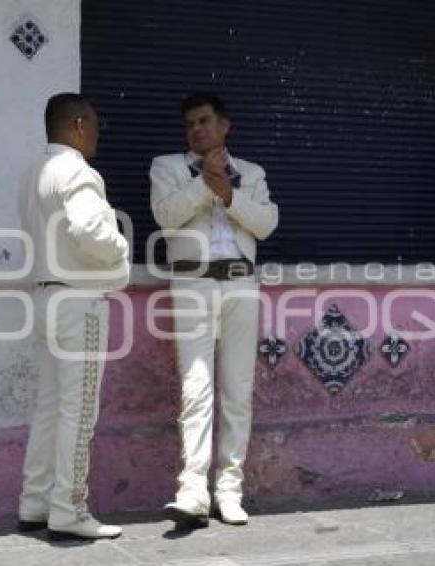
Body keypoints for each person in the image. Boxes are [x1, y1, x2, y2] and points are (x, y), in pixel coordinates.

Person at [150, 92, 278, 527]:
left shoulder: (253, 174)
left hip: (241, 282)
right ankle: (192, 491)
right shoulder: (166, 167)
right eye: (189, 124)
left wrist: (229, 195)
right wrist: (205, 183)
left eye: (204, 121)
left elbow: (266, 223)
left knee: (238, 391)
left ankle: (229, 491)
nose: (196, 130)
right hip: (191, 282)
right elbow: (166, 217)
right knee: (196, 386)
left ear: (225, 126)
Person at [17, 93, 130, 540]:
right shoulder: (79, 172)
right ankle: (69, 508)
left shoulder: (31, 174)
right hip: (78, 301)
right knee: (79, 409)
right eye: (96, 124)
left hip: (45, 296)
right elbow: (91, 231)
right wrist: (121, 247)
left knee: (49, 406)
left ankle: (35, 503)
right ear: (79, 123)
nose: (99, 134)